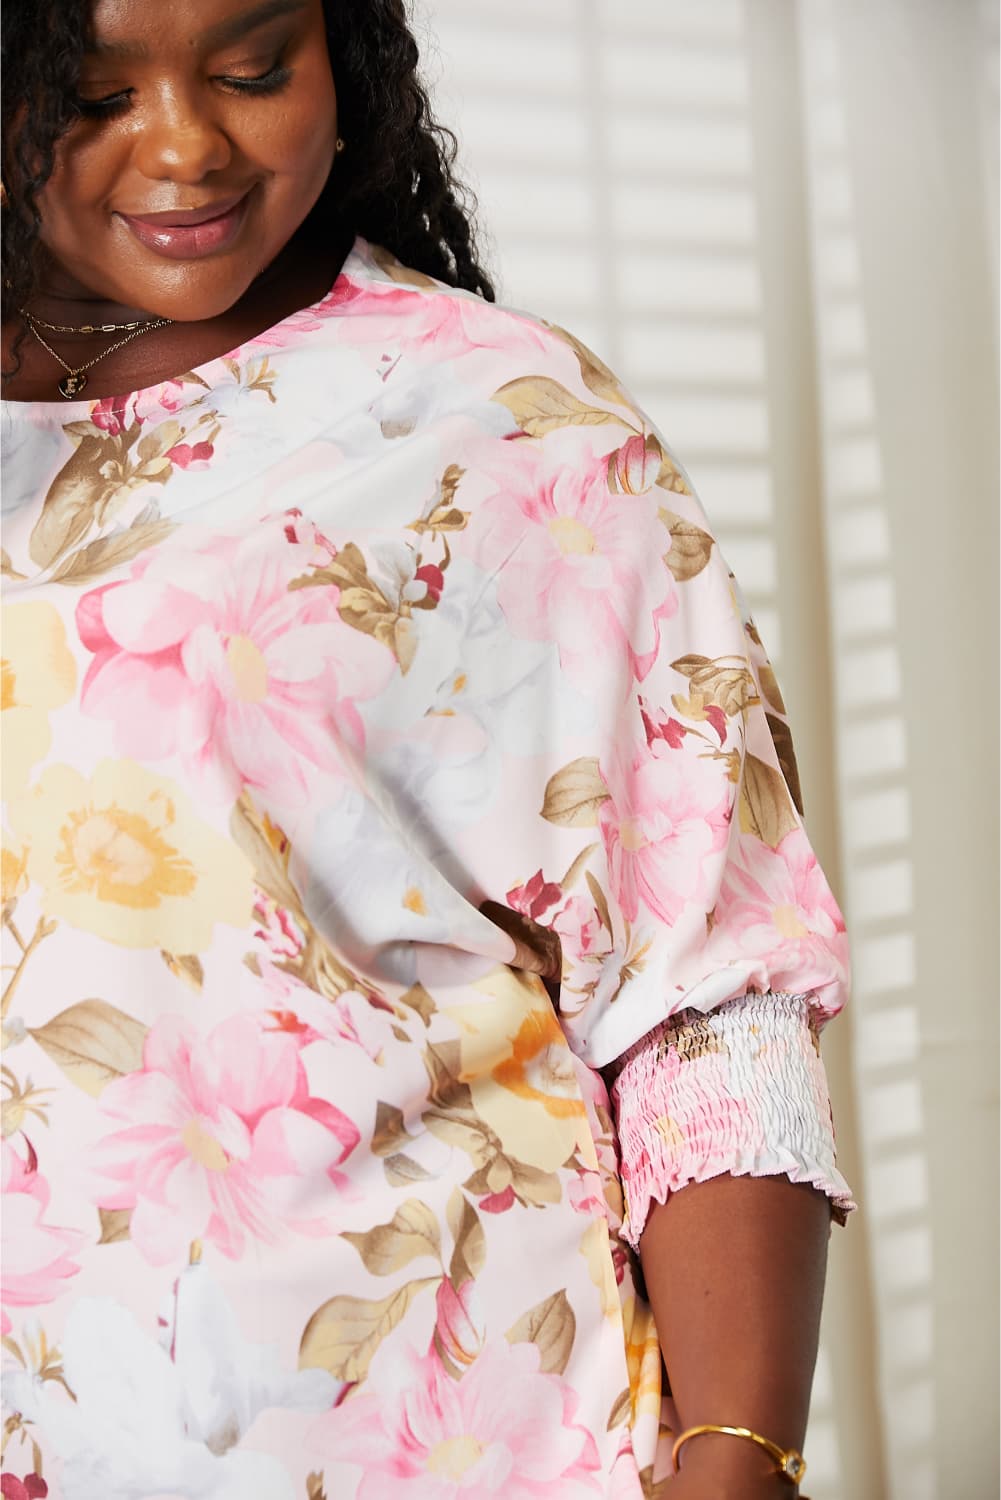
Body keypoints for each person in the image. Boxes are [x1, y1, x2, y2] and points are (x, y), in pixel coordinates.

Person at [0, 2, 855, 1496]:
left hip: (445, 1432)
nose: (186, 143)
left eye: (254, 69)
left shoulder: (502, 423)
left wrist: (737, 1452)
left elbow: (706, 986)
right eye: (88, 90)